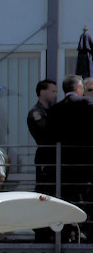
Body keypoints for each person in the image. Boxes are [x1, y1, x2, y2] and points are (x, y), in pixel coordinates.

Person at [49, 75, 93, 240]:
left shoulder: (55, 108)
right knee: (86, 195)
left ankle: (69, 230)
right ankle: (84, 230)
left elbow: (51, 134)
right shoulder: (87, 103)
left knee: (67, 196)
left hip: (64, 160)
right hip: (86, 159)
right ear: (78, 88)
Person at [27, 79, 59, 241]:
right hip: (46, 157)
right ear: (42, 92)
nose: (55, 94)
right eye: (53, 91)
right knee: (44, 192)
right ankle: (41, 230)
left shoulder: (54, 110)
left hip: (57, 158)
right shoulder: (36, 112)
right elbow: (46, 134)